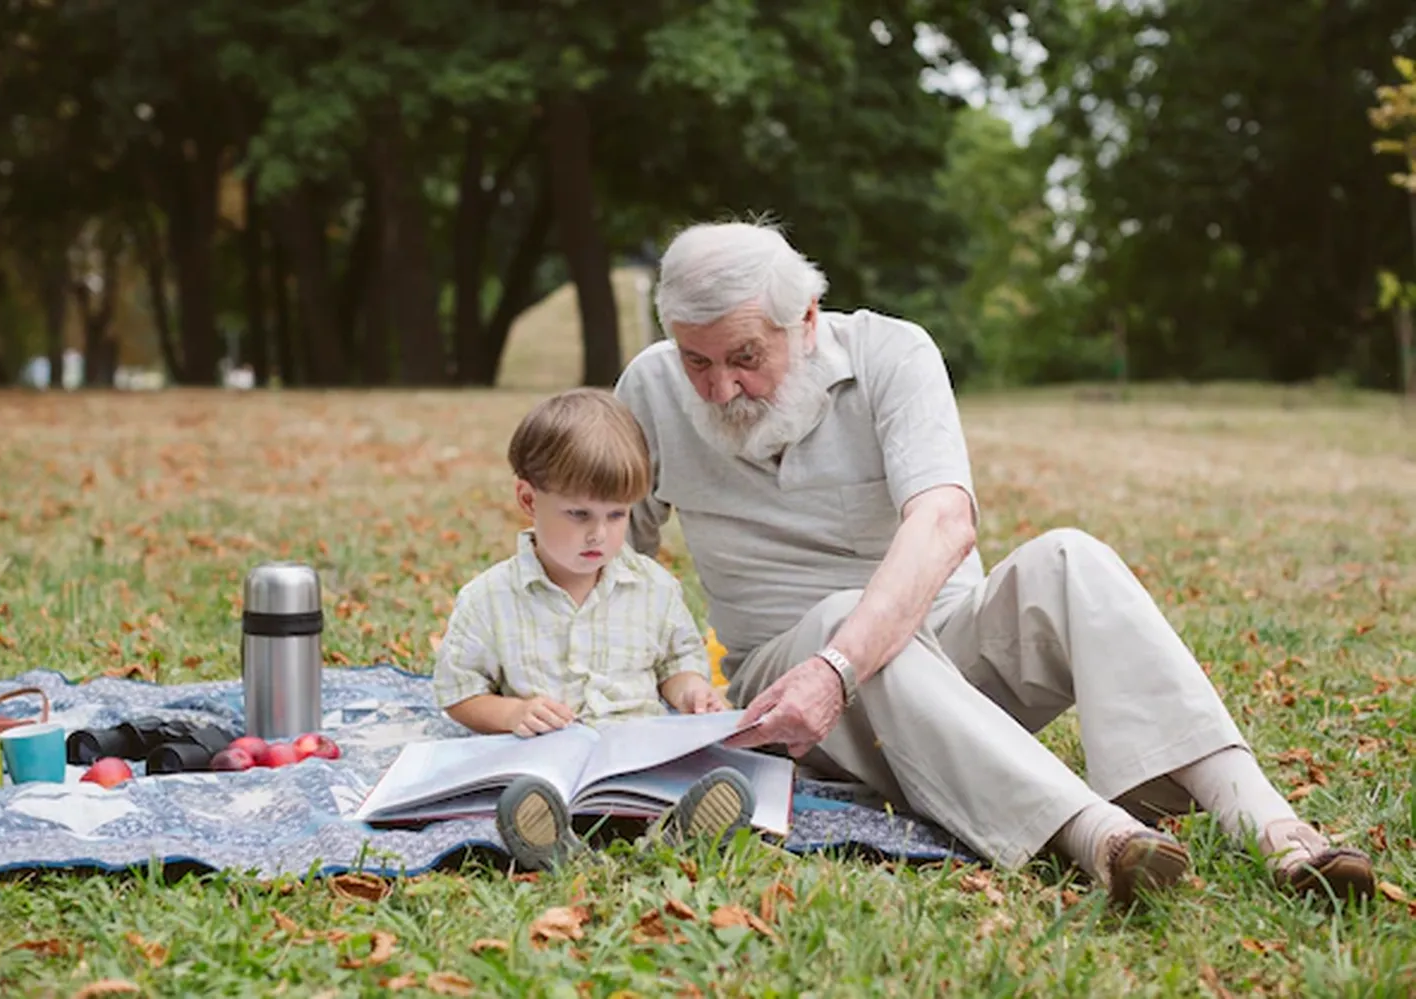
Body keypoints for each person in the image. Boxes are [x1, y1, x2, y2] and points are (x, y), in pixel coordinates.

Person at [614, 219, 1376, 906]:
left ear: (806, 320)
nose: (719, 388)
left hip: (936, 655)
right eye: (696, 361)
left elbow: (944, 521)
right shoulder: (650, 388)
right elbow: (614, 555)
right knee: (847, 618)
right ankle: (1101, 839)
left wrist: (841, 665)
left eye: (744, 357)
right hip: (791, 704)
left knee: (1071, 558)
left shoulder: (892, 353)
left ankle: (1271, 824)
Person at [433, 387, 756, 871]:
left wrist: (692, 693)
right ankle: (553, 845)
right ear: (528, 498)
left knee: (689, 780)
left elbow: (678, 662)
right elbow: (460, 694)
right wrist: (513, 712)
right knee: (522, 800)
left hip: (634, 768)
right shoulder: (489, 598)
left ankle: (674, 837)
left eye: (616, 515)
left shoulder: (654, 587)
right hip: (544, 769)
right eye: (579, 514)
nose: (598, 534)